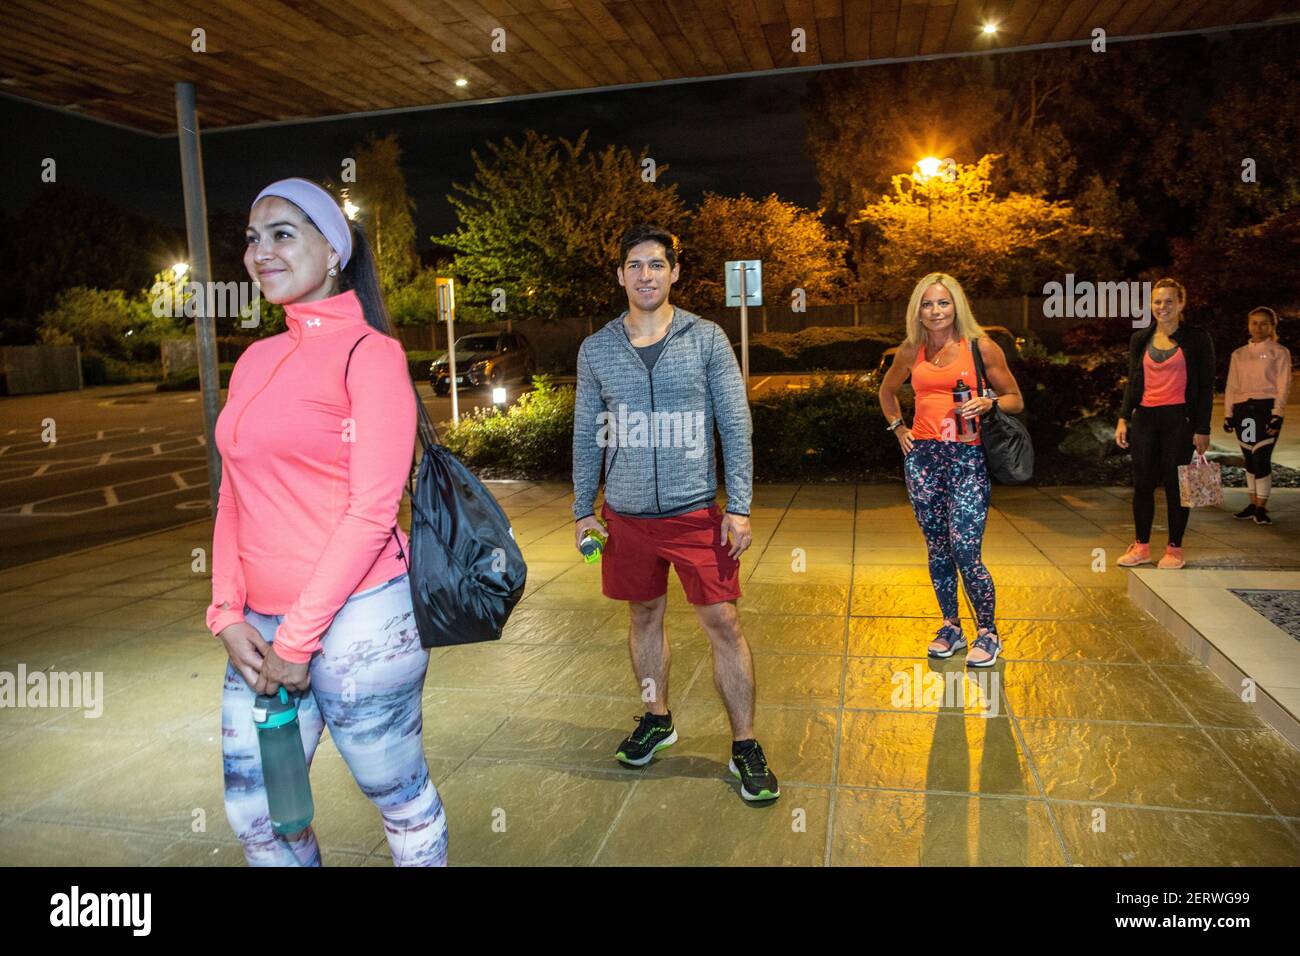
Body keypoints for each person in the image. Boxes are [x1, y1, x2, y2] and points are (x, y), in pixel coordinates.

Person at [206, 178, 447, 865]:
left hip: (363, 617)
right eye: (253, 238)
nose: (260, 252)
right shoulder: (254, 359)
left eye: (283, 233)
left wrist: (299, 641)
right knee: (260, 814)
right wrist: (226, 611)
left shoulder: (370, 355)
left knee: (397, 798)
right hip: (260, 626)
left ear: (333, 251)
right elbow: (233, 493)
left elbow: (373, 511)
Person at [571, 224, 778, 802]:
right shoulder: (597, 349)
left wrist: (738, 506)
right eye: (635, 265)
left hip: (695, 514)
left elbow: (735, 424)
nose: (645, 275)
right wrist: (583, 509)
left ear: (674, 273)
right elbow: (588, 434)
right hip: (626, 516)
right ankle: (656, 716)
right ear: (620, 275)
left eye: (656, 265)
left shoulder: (707, 338)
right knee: (643, 618)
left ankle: (744, 746)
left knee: (724, 624)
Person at [878, 273, 1024, 667]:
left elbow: (1015, 399)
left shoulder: (982, 348)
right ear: (918, 311)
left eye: (942, 303)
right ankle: (951, 627)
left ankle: (989, 632)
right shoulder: (911, 350)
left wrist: (989, 403)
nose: (935, 311)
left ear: (956, 305)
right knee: (938, 547)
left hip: (967, 459)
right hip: (924, 459)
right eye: (927, 304)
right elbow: (887, 391)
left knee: (965, 548)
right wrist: (899, 429)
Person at [1114, 277, 1215, 569]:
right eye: (1158, 301)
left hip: (1178, 420)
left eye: (1169, 301)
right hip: (1144, 418)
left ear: (1181, 303)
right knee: (1142, 485)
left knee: (1175, 485)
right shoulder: (1141, 339)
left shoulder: (1197, 339)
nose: (1163, 307)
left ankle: (1174, 550)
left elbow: (1206, 386)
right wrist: (1123, 417)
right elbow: (1133, 381)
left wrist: (1202, 427)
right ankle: (1141, 547)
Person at [1224, 306, 1291, 525]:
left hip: (1266, 409)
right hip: (1244, 409)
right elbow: (1232, 385)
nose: (1258, 327)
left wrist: (1277, 414)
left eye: (1263, 323)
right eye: (1254, 322)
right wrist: (1228, 413)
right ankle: (1253, 504)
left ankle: (1261, 508)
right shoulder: (1239, 354)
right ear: (1248, 324)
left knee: (1261, 457)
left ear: (1272, 326)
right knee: (1250, 459)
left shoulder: (1279, 352)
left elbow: (1283, 385)